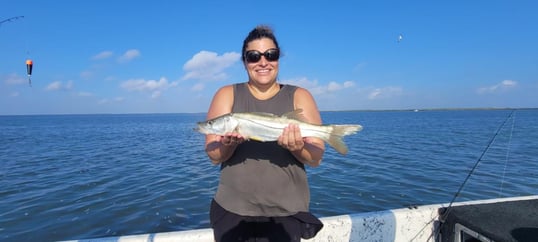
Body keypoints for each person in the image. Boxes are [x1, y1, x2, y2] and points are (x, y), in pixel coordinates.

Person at [204, 25, 325, 242]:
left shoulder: (300, 95)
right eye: (253, 56)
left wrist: (298, 148)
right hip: (232, 211)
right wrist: (228, 145)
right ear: (244, 61)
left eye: (271, 54)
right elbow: (214, 155)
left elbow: (315, 158)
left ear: (279, 58)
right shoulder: (226, 94)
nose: (263, 62)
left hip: (286, 213)